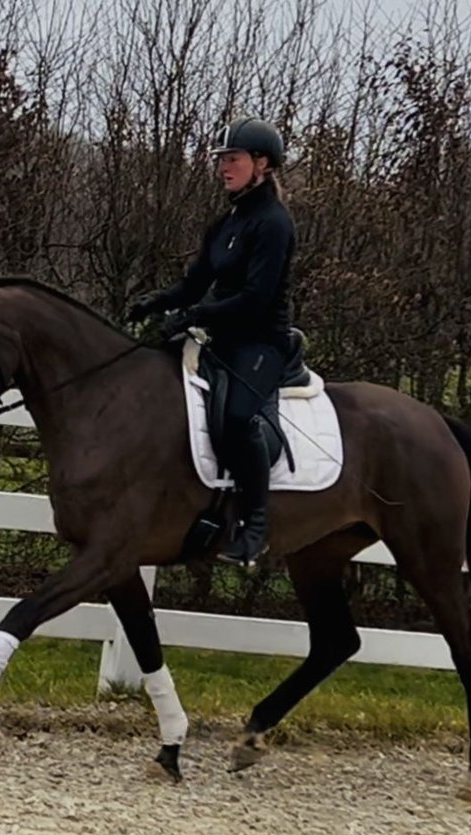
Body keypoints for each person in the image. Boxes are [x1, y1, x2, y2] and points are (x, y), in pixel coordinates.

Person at [127, 115, 296, 568]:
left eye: (233, 159)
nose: (223, 166)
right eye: (221, 159)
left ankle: (255, 525)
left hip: (261, 343)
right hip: (221, 337)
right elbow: (195, 282)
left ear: (262, 164)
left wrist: (196, 315)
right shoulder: (228, 220)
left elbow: (256, 299)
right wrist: (155, 303)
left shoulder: (273, 223)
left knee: (239, 418)